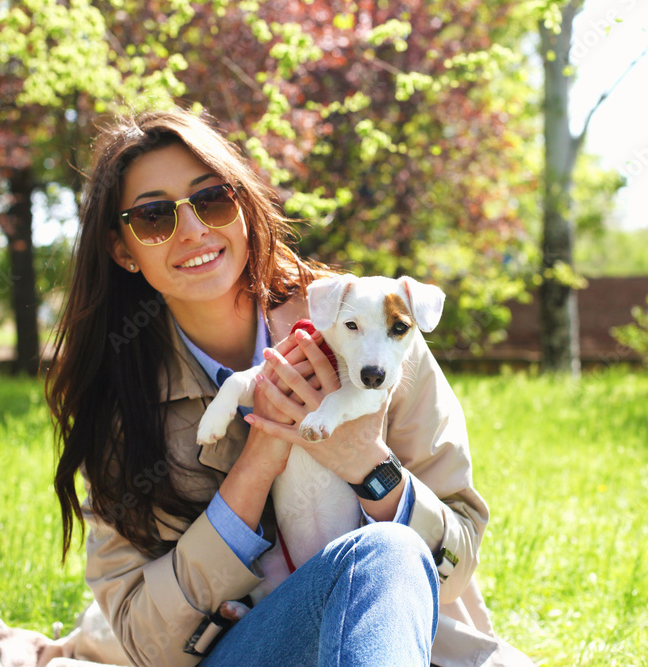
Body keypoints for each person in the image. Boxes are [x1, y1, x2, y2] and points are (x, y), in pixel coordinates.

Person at [47, 107, 532, 667]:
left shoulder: (377, 327)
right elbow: (143, 638)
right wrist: (259, 460)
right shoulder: (121, 401)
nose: (194, 230)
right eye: (155, 217)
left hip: (399, 639)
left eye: (212, 200)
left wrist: (366, 464)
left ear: (245, 207)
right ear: (123, 250)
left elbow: (459, 559)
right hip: (249, 651)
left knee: (387, 551)